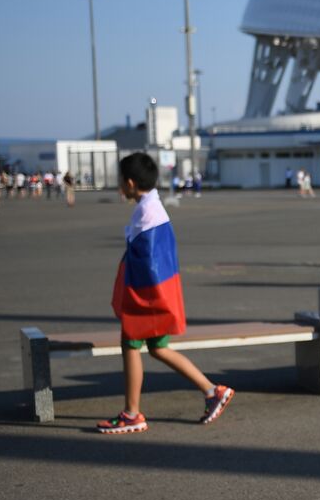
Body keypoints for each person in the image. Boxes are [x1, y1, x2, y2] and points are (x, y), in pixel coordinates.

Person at [97, 152, 233, 434]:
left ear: (131, 183)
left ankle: (132, 414)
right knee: (158, 348)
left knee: (131, 345)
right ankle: (212, 390)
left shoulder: (147, 214)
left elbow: (145, 262)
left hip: (147, 297)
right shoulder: (153, 207)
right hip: (158, 294)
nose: (119, 184)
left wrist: (135, 300)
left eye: (121, 180)